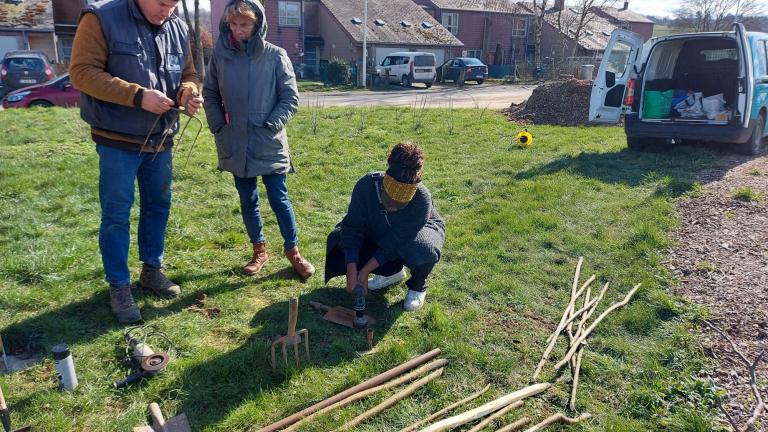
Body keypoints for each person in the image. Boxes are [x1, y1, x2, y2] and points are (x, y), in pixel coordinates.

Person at [70, 0, 203, 323]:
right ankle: (119, 286)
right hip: (117, 140)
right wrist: (137, 96)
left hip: (161, 138)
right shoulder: (101, 18)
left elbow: (188, 73)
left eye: (173, 5)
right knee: (117, 214)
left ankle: (151, 270)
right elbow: (82, 73)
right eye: (161, 4)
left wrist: (187, 92)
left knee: (158, 205)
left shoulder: (178, 27)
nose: (167, 11)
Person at [203, 0, 315, 280]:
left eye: (245, 24)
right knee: (247, 200)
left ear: (257, 25)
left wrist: (271, 124)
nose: (239, 30)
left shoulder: (276, 56)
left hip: (269, 141)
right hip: (235, 142)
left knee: (279, 199)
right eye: (234, 24)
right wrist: (218, 126)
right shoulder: (221, 56)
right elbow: (211, 93)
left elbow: (290, 98)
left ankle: (294, 253)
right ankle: (259, 251)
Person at [325, 143, 445, 311]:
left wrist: (365, 270)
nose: (392, 208)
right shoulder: (367, 186)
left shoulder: (421, 199)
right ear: (383, 186)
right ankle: (392, 273)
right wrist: (352, 269)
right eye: (388, 201)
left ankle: (418, 286)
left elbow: (397, 240)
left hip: (417, 234)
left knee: (423, 248)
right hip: (382, 228)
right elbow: (352, 228)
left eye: (399, 205)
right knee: (338, 237)